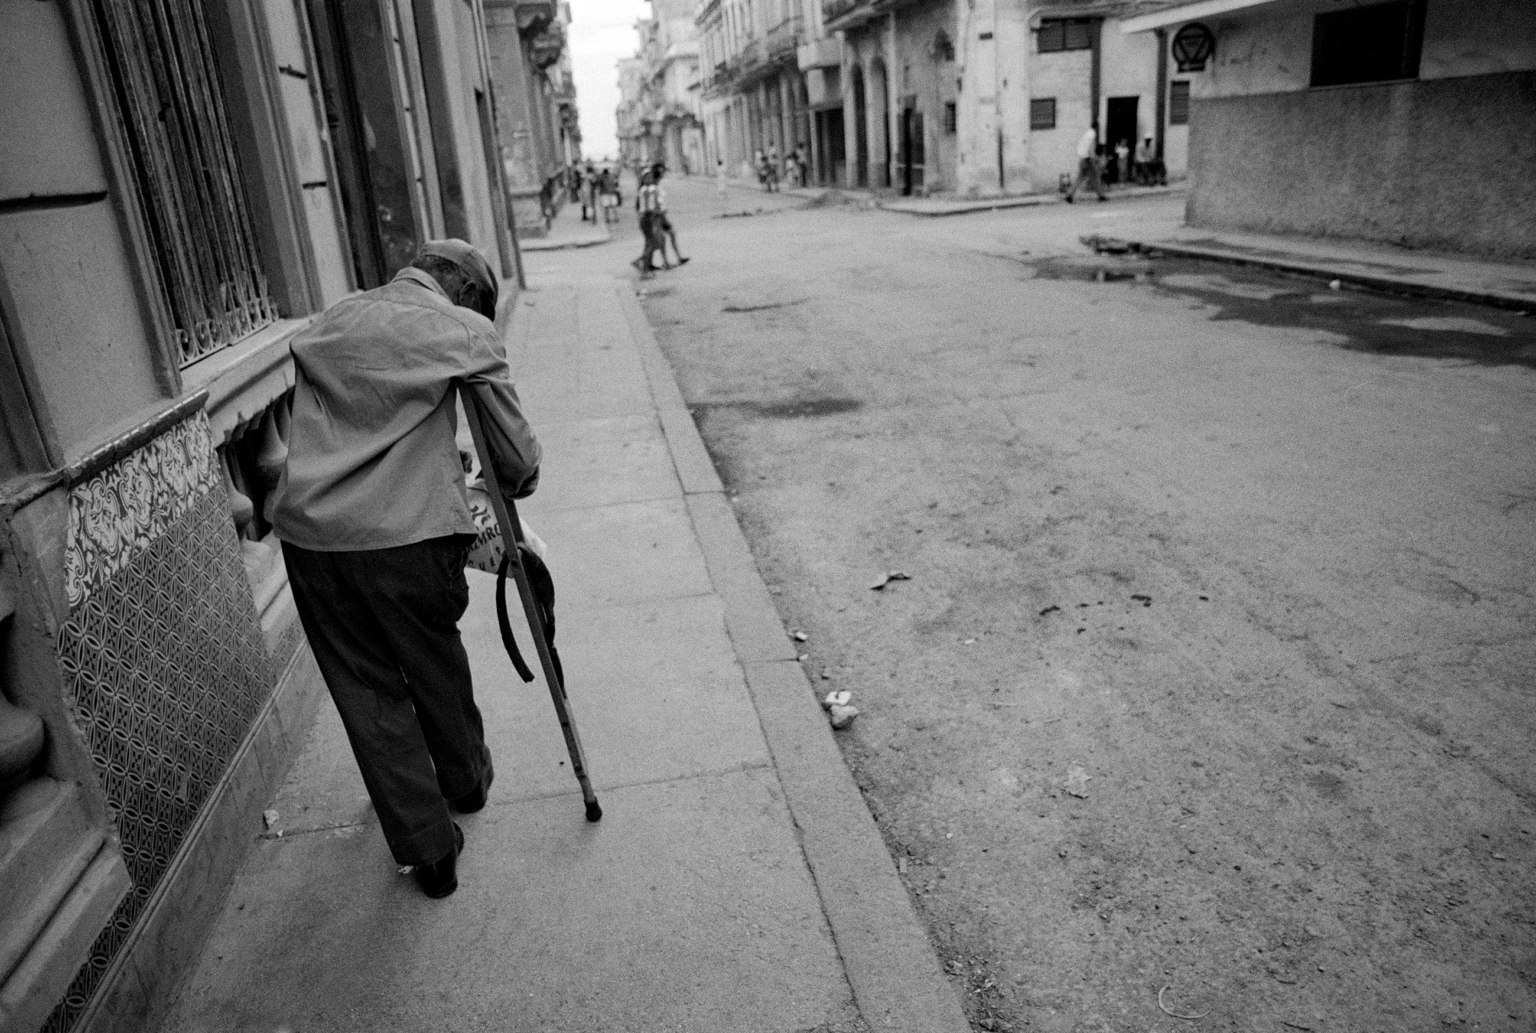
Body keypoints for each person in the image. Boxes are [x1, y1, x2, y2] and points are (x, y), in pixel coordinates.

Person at [273, 239, 541, 900]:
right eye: (478, 302)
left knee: (367, 692)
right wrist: (512, 476)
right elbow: (516, 462)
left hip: (312, 538)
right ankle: (466, 782)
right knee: (433, 664)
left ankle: (430, 852)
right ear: (460, 287)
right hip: (407, 536)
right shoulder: (461, 331)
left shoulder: (329, 322)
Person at [648, 163, 689, 267]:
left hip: (662, 216)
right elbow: (650, 204)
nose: (663, 173)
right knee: (662, 239)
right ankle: (665, 261)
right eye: (662, 171)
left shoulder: (657, 185)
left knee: (671, 234)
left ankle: (679, 257)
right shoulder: (652, 187)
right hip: (656, 216)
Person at [631, 167, 666, 277]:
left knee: (650, 243)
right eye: (647, 177)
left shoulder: (645, 189)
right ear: (643, 179)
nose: (650, 178)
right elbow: (647, 207)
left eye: (651, 176)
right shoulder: (647, 190)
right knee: (653, 243)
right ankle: (643, 269)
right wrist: (658, 211)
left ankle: (645, 265)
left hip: (648, 218)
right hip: (648, 218)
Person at [1063, 121, 1106, 203]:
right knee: (1095, 177)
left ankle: (1069, 194)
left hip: (1083, 158)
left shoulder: (1087, 134)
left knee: (1080, 177)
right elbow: (1091, 149)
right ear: (1097, 127)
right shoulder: (1092, 135)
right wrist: (1095, 160)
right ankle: (1101, 196)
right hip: (1088, 160)